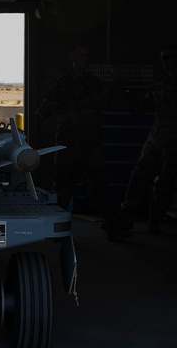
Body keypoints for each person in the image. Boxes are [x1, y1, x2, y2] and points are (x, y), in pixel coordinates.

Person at [109, 44, 177, 238]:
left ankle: (154, 219)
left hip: (176, 140)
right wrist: (122, 88)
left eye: (168, 57)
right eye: (162, 58)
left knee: (165, 181)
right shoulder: (159, 82)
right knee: (140, 174)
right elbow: (143, 106)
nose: (165, 61)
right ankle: (126, 214)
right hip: (157, 138)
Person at [35, 44, 124, 223]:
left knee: (99, 189)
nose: (85, 59)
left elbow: (112, 102)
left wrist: (117, 81)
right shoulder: (63, 83)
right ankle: (54, 228)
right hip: (68, 146)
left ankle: (115, 227)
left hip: (90, 146)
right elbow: (45, 110)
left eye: (87, 56)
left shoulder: (94, 83)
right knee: (62, 190)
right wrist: (41, 112)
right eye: (82, 56)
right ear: (72, 58)